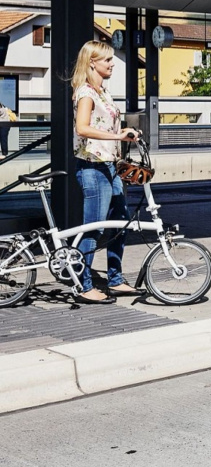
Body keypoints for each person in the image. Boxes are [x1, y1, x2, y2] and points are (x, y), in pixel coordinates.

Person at [72, 40, 142, 304]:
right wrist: (118, 136)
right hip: (92, 167)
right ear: (92, 62)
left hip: (109, 167)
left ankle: (115, 280)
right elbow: (82, 128)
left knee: (119, 224)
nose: (113, 64)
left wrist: (126, 134)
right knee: (94, 228)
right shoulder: (86, 93)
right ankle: (83, 284)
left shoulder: (103, 92)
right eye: (108, 60)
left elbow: (109, 129)